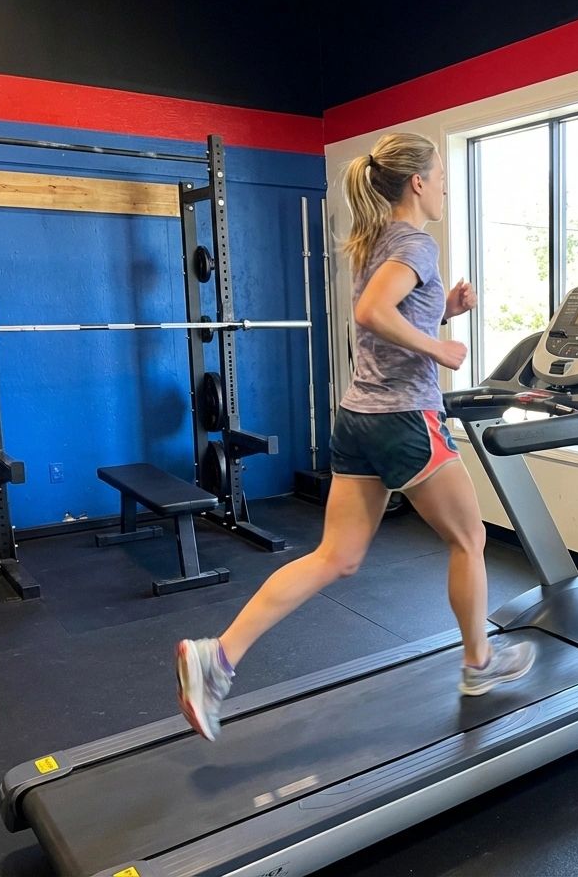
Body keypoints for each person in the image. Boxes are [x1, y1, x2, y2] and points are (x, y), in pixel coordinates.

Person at [175, 132, 536, 742]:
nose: (446, 184)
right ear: (418, 182)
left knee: (335, 557)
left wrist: (440, 308)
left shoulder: (376, 240)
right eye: (442, 175)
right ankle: (479, 665)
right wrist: (441, 347)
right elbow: (372, 313)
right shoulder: (415, 242)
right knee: (472, 538)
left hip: (358, 417)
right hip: (403, 419)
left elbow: (385, 313)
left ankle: (218, 657)